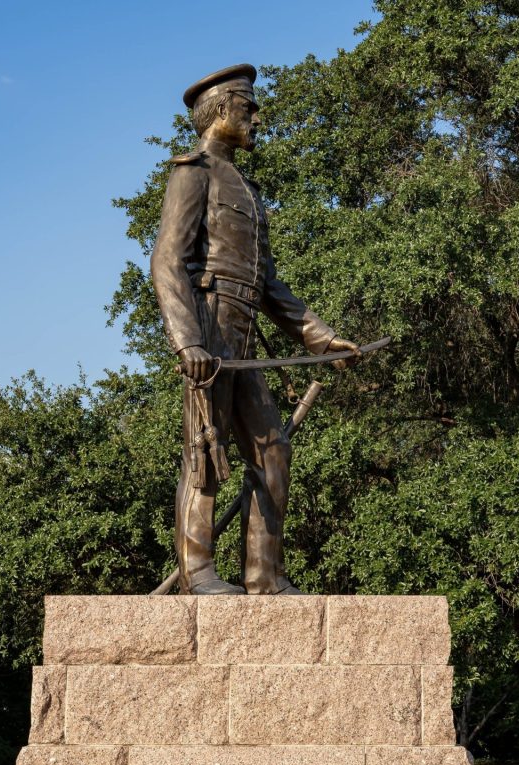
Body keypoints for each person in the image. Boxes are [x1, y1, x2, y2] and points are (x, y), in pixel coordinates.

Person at [151, 64, 360, 595]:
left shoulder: (246, 187)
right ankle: (198, 573)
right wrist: (188, 341)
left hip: (242, 338)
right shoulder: (192, 173)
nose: (257, 116)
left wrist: (320, 337)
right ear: (222, 109)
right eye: (249, 105)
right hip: (209, 329)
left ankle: (264, 577)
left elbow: (268, 282)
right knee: (205, 451)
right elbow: (167, 262)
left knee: (272, 449)